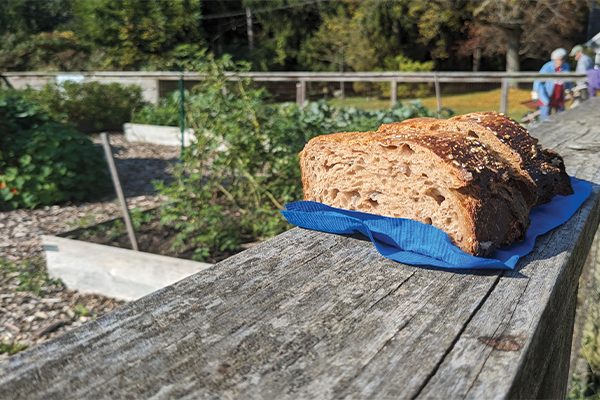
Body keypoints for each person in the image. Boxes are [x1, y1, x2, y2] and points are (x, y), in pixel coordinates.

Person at [533, 48, 570, 121]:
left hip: (559, 95)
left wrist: (569, 89)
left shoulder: (566, 66)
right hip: (547, 94)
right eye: (559, 59)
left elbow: (568, 80)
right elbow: (538, 81)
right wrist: (537, 94)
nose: (561, 61)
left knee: (561, 114)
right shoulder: (547, 67)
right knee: (545, 114)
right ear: (554, 59)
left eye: (562, 59)